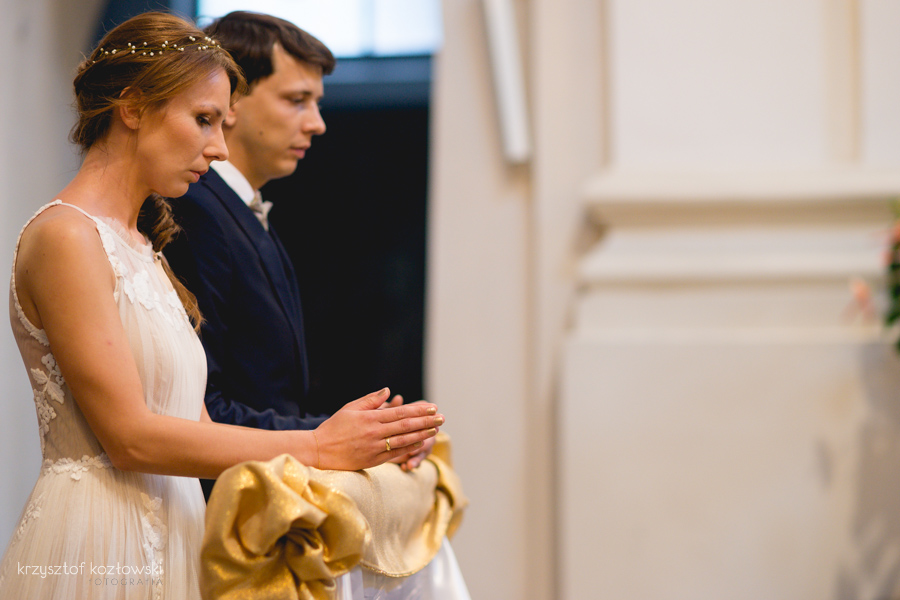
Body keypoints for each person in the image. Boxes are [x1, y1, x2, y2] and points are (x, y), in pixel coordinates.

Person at [0, 12, 443, 599]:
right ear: (132, 108)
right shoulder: (67, 236)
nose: (218, 147)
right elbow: (129, 438)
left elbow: (198, 422)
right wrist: (317, 445)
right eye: (204, 120)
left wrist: (349, 443)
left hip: (181, 530)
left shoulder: (146, 247)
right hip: (99, 539)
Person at [164, 11, 432, 496]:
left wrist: (374, 435)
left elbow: (267, 392)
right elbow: (199, 403)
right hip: (220, 502)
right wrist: (327, 439)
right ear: (230, 100)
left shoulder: (237, 209)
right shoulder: (198, 211)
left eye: (316, 102)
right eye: (296, 100)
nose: (317, 123)